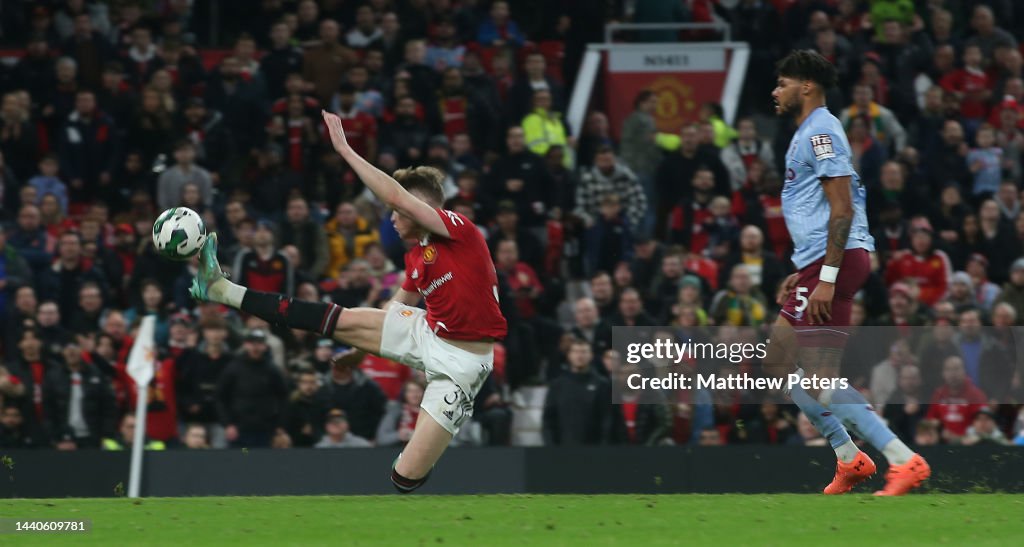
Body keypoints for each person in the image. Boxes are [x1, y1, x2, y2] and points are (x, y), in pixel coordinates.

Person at [190, 111, 506, 493]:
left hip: (464, 364)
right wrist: (361, 349)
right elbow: (391, 311)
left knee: (405, 478)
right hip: (428, 333)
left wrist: (345, 150)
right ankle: (221, 289)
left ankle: (419, 453)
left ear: (417, 207)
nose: (391, 216)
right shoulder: (417, 259)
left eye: (397, 210)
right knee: (337, 317)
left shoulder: (459, 229)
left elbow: (394, 195)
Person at [767, 50, 929, 496]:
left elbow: (842, 206)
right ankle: (849, 457)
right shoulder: (807, 132)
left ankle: (903, 459)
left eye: (782, 83)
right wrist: (803, 271)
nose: (775, 91)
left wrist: (826, 278)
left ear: (806, 86)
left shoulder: (821, 131)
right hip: (817, 262)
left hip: (833, 262)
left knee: (818, 378)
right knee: (779, 365)